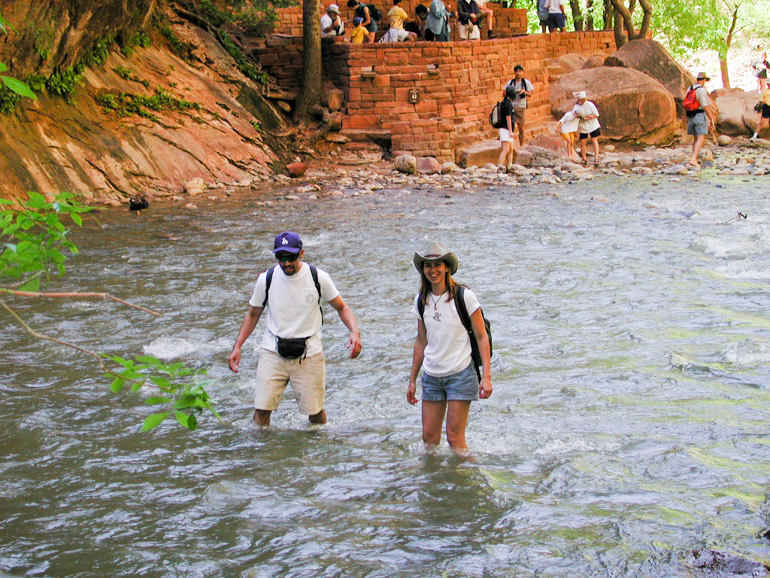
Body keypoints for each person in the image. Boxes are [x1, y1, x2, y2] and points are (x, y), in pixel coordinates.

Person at [228, 231, 362, 427]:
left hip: (310, 354)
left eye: (291, 257)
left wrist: (354, 332)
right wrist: (237, 346)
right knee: (261, 411)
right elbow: (252, 313)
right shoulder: (266, 279)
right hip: (272, 352)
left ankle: (318, 451)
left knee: (315, 413)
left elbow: (342, 307)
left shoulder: (318, 277)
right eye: (281, 258)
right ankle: (262, 452)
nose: (286, 263)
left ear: (302, 253)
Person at [407, 241, 492, 457]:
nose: (433, 270)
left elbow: (482, 337)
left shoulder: (464, 297)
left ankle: (470, 480)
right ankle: (433, 486)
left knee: (455, 440)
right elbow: (420, 341)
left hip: (460, 374)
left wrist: (487, 377)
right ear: (422, 269)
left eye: (438, 264)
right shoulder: (420, 300)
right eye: (428, 265)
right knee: (429, 441)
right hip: (432, 376)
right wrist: (412, 380)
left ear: (447, 267)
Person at [685, 72, 714, 167]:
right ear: (704, 80)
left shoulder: (690, 88)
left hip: (690, 115)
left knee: (695, 138)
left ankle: (694, 157)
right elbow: (705, 106)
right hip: (699, 115)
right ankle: (693, 159)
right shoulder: (702, 90)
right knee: (701, 137)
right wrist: (711, 119)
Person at [503, 65, 534, 146]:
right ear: (514, 72)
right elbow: (503, 94)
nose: (518, 73)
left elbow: (531, 94)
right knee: (510, 127)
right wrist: (511, 92)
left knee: (521, 128)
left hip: (521, 107)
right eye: (516, 71)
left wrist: (525, 92)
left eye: (519, 71)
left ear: (522, 72)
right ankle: (510, 144)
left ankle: (521, 145)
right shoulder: (510, 83)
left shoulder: (525, 83)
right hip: (511, 106)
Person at [572, 90, 600, 166]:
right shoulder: (576, 107)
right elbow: (574, 115)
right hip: (583, 126)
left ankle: (596, 157)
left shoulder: (590, 105)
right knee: (583, 142)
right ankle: (584, 158)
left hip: (593, 125)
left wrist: (590, 117)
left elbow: (596, 114)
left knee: (594, 140)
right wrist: (579, 116)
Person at [497, 85, 516, 171]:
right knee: (505, 149)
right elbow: (508, 118)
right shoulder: (507, 104)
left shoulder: (505, 102)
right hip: (505, 130)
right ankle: (500, 166)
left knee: (511, 149)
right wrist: (510, 131)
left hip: (506, 130)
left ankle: (509, 166)